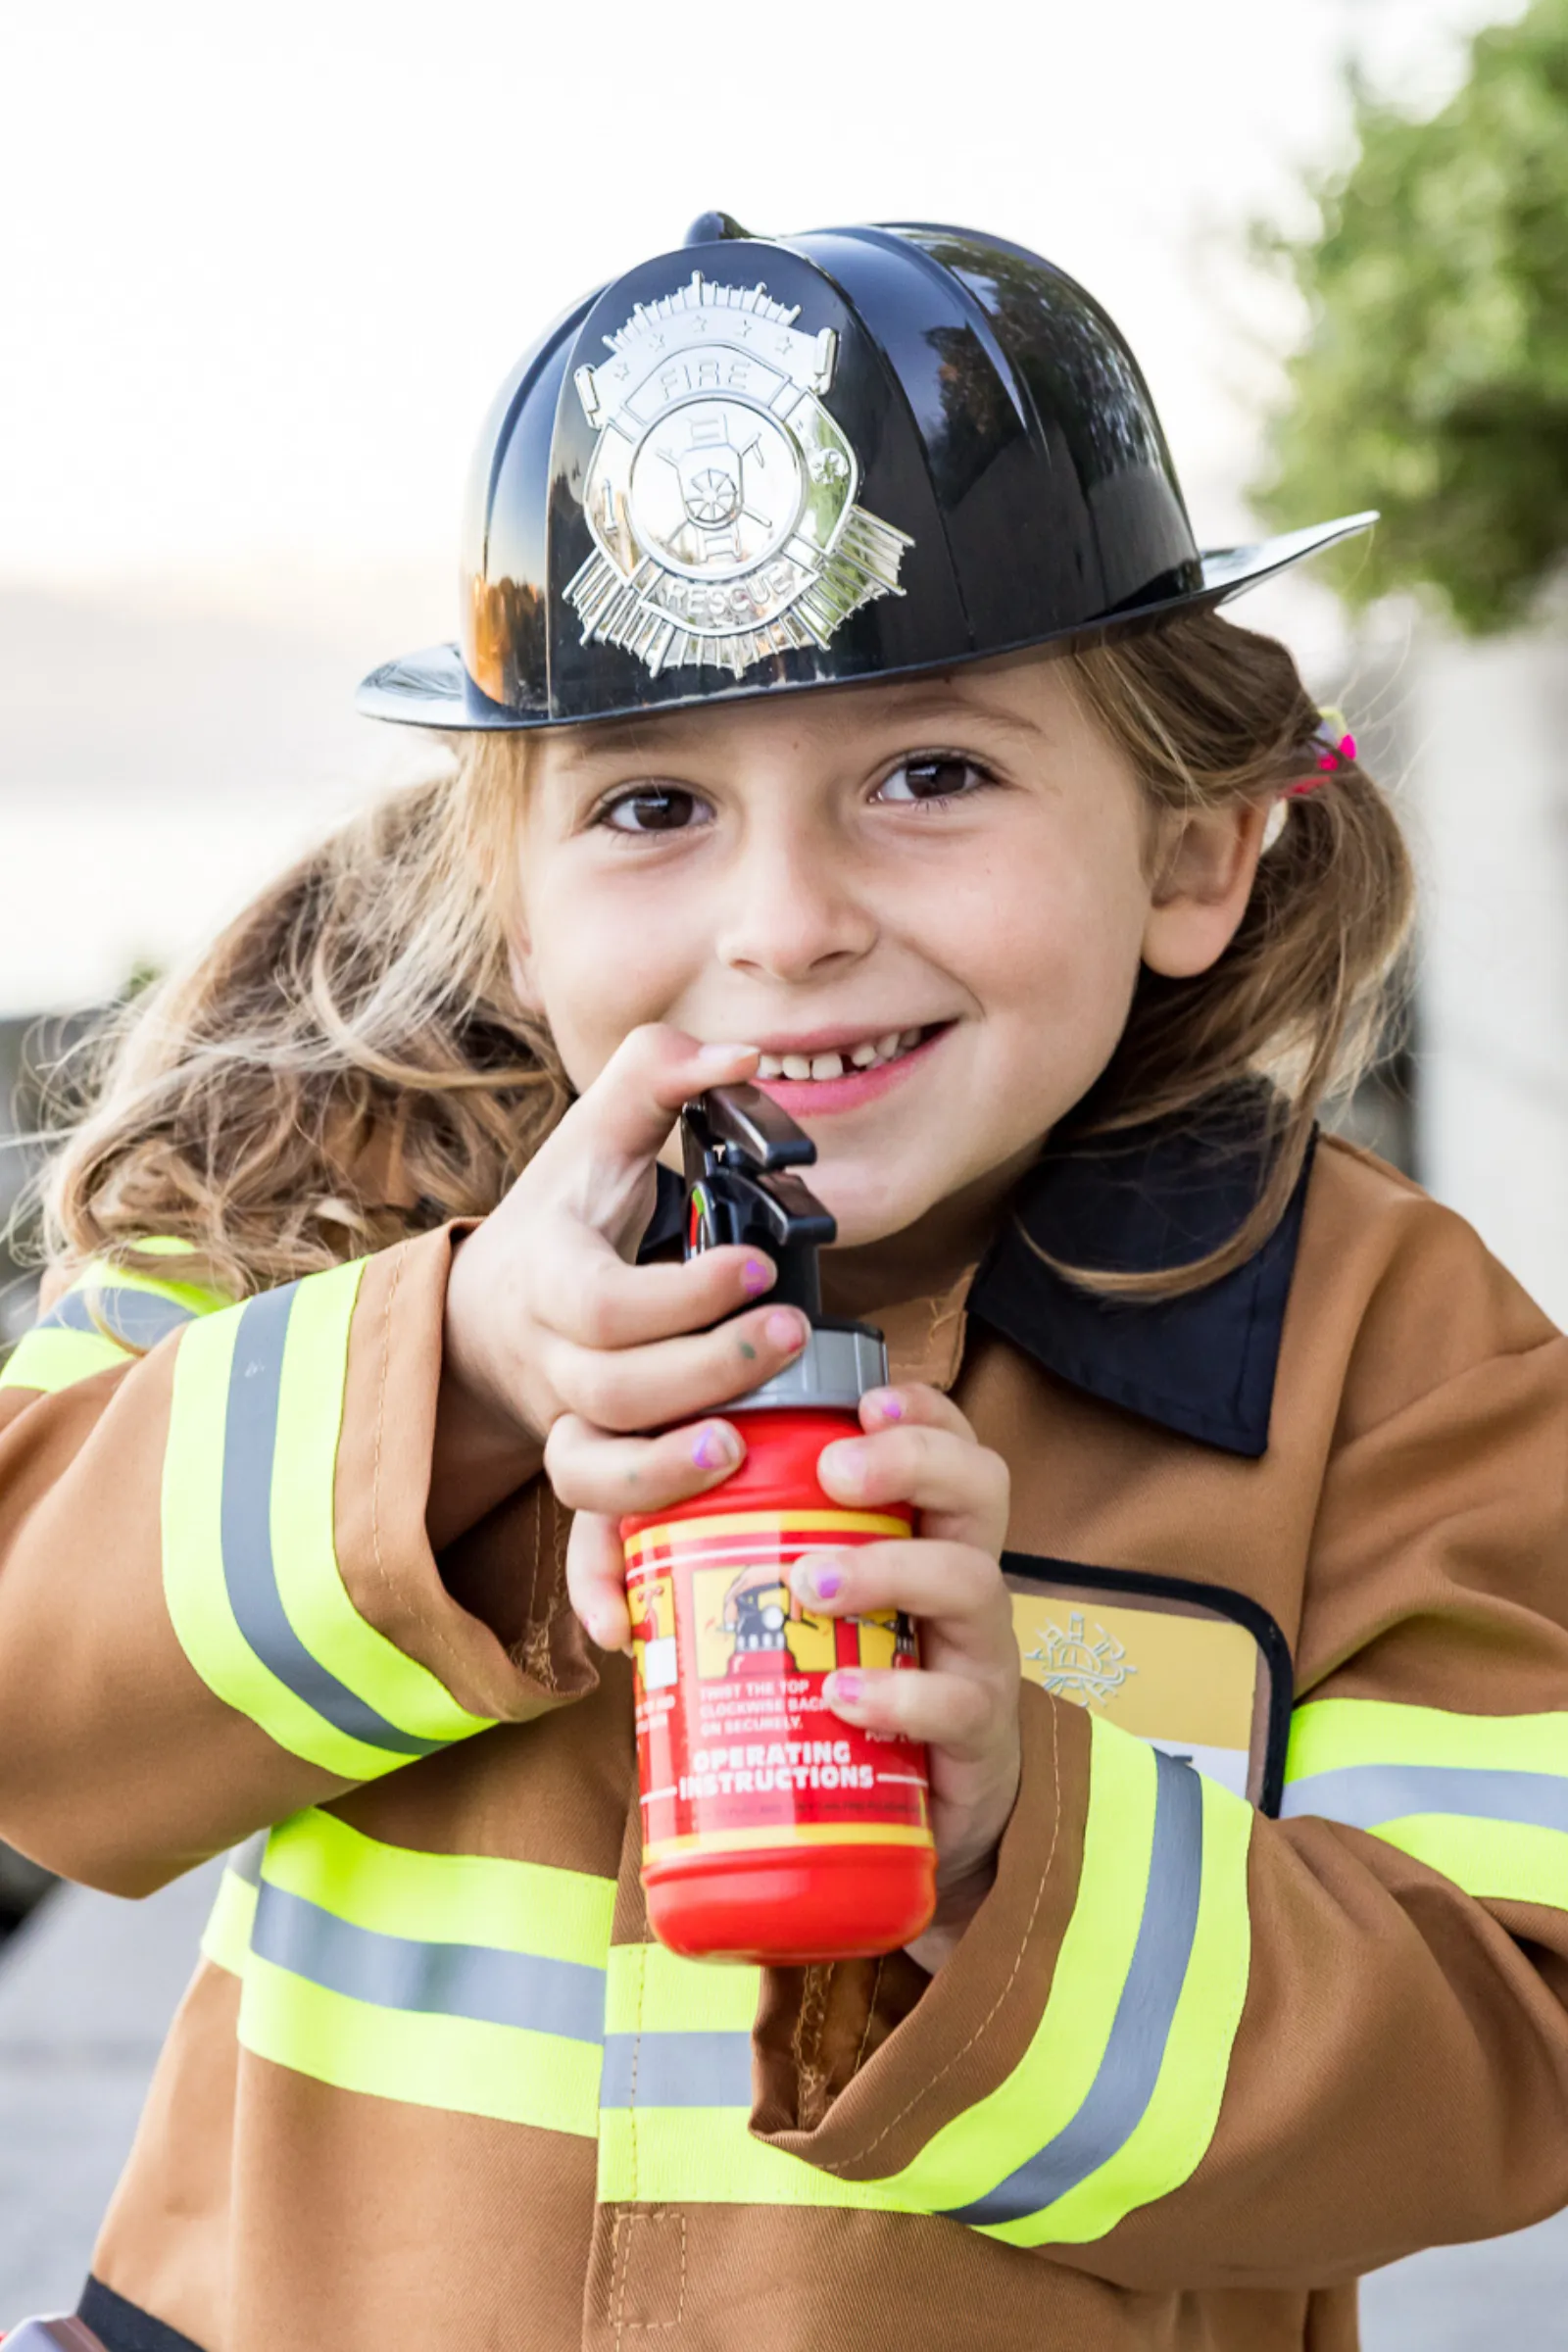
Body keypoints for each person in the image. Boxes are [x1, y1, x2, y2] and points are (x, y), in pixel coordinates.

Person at [2, 216, 1566, 2352]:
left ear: (1192, 850)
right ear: (516, 910)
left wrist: (1030, 1848)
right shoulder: (331, 1213)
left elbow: (1504, 2048)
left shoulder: (1385, 1356)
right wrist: (452, 1389)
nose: (787, 919)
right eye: (650, 804)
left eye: (929, 777)